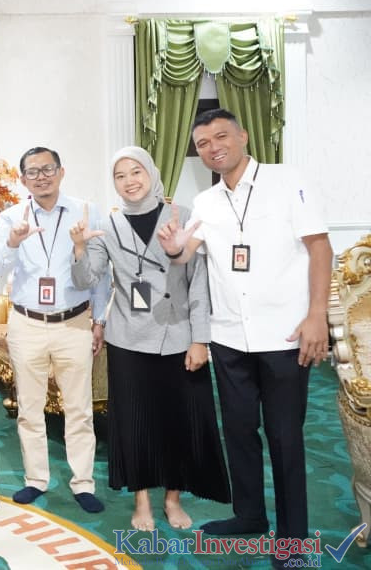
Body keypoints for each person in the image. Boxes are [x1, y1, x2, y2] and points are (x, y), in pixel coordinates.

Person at [156, 109, 330, 569]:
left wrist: (317, 315)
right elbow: (185, 255)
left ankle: (293, 543)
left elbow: (319, 247)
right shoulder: (206, 202)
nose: (213, 147)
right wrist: (173, 248)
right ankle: (249, 514)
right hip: (231, 337)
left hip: (284, 335)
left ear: (243, 136)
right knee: (238, 430)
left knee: (285, 438)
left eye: (221, 136)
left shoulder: (287, 180)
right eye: (203, 143)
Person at [70, 146, 231, 531]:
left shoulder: (182, 216)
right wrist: (78, 248)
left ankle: (173, 498)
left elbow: (199, 283)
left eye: (136, 172)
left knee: (179, 420)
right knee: (135, 421)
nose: (129, 181)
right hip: (128, 338)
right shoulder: (107, 226)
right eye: (120, 175)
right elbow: (86, 279)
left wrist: (200, 339)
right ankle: (141, 499)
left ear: (152, 173)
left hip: (178, 336)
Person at [0, 146, 110, 514]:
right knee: (30, 408)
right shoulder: (11, 216)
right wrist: (13, 242)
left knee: (79, 409)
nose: (41, 177)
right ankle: (36, 479)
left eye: (48, 169)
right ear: (23, 179)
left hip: (73, 322)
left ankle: (83, 483)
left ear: (61, 172)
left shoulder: (86, 211)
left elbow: (100, 271)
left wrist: (99, 320)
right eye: (33, 171)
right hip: (27, 322)